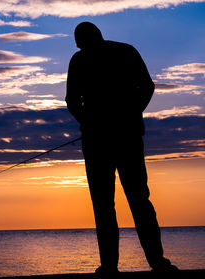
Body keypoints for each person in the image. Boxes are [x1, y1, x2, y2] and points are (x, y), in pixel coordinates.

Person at [65, 22, 178, 275]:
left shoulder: (97, 56)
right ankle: (137, 263)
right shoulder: (114, 53)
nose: (81, 48)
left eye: (81, 43)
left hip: (114, 139)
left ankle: (131, 264)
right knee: (128, 201)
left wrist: (91, 120)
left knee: (121, 202)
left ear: (88, 39)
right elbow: (73, 100)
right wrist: (123, 115)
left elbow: (72, 101)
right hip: (112, 139)